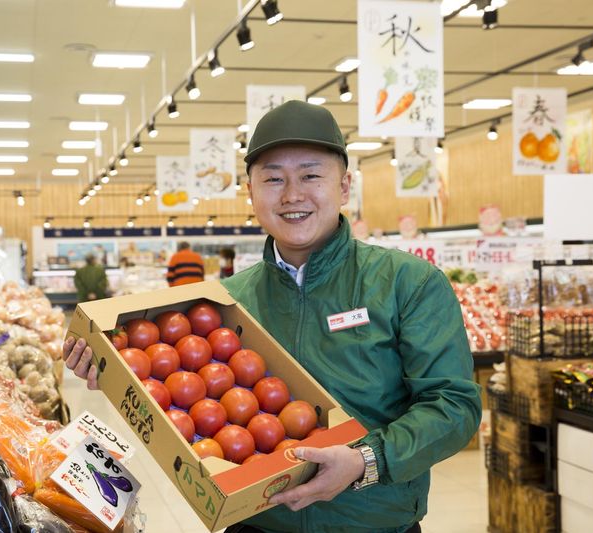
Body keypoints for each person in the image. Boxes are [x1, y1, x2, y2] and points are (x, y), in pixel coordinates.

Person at [63, 101, 481, 533]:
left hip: (375, 524)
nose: (292, 195)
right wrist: (120, 375)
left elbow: (454, 405)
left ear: (344, 187)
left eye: (311, 176)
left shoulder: (408, 283)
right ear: (251, 192)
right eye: (274, 179)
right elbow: (181, 399)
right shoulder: (226, 300)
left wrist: (364, 460)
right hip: (257, 523)